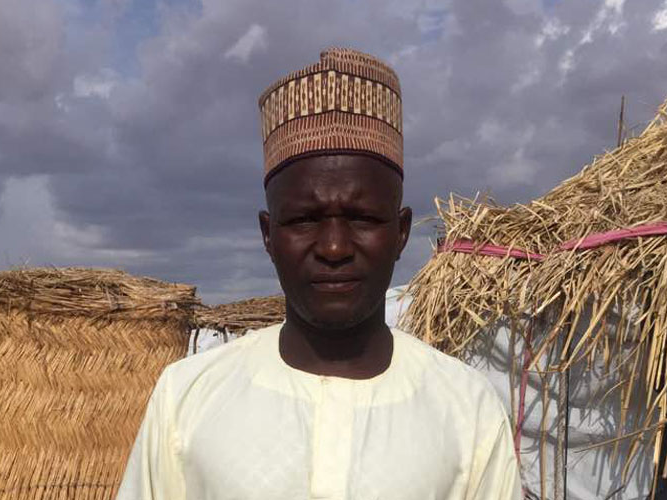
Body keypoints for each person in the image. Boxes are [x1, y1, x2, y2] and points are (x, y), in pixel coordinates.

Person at [116, 47, 521, 500]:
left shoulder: (467, 409)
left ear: (402, 232)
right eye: (304, 220)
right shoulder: (186, 398)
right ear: (269, 236)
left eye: (363, 218)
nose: (333, 248)